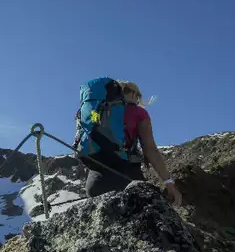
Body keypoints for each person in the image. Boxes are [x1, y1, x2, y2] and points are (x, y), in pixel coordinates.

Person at [73, 77, 182, 206]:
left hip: (95, 183)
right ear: (133, 94)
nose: (138, 99)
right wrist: (168, 182)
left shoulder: (98, 110)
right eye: (139, 95)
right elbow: (150, 149)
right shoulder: (138, 113)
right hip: (126, 179)